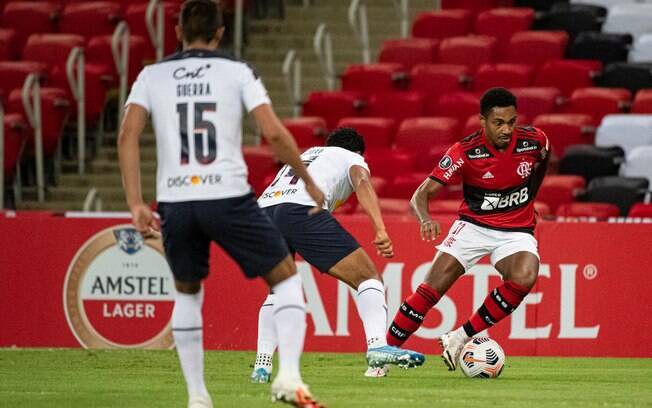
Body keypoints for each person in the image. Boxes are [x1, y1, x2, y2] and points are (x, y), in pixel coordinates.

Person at [117, 1, 326, 407]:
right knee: (285, 279)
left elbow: (128, 135)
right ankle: (288, 377)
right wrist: (308, 180)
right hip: (227, 195)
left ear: (177, 31)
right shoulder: (237, 72)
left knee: (188, 293)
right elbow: (274, 133)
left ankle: (198, 397)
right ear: (220, 32)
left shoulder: (151, 75)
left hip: (176, 200)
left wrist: (136, 203)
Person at [386, 87, 550, 371]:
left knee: (525, 276)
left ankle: (459, 337)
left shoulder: (534, 141)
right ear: (482, 121)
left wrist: (530, 197)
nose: (507, 129)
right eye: (498, 123)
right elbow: (421, 195)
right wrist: (425, 218)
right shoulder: (464, 151)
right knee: (429, 292)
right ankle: (383, 356)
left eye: (512, 121)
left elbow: (543, 160)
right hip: (473, 227)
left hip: (516, 230)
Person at [250, 128, 425, 383]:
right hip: (300, 210)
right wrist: (380, 227)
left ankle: (261, 366)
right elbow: (362, 181)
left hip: (263, 213)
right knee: (369, 277)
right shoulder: (350, 157)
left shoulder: (308, 153)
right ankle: (377, 346)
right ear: (357, 152)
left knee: (278, 289)